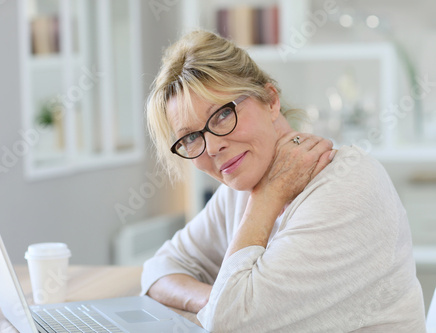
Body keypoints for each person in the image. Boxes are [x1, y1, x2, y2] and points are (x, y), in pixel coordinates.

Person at [141, 30, 426, 332]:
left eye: (223, 114)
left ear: (271, 100)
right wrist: (217, 299)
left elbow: (229, 324)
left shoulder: (348, 187)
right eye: (191, 137)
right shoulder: (242, 184)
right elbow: (157, 271)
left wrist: (267, 198)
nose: (212, 148)